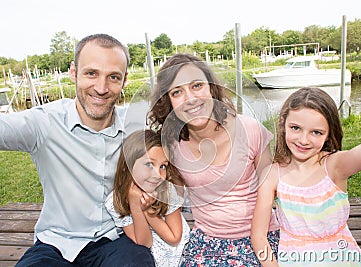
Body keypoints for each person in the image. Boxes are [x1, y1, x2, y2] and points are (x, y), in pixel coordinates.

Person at [0, 34, 155, 266]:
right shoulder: (44, 122)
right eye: (91, 73)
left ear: (124, 81)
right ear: (73, 72)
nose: (101, 88)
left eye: (113, 77)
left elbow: (190, 132)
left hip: (117, 239)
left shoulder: (136, 124)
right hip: (56, 244)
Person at [147, 53, 280, 266]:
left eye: (197, 85)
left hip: (261, 236)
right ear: (168, 102)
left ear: (211, 88)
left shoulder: (251, 131)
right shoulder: (171, 147)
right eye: (177, 92)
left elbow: (271, 193)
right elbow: (174, 197)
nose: (190, 98)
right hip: (208, 242)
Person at [251, 87, 361, 266]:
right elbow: (259, 236)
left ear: (329, 133)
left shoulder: (335, 166)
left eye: (316, 132)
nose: (304, 140)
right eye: (296, 128)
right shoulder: (272, 175)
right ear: (283, 124)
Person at [105, 129, 190, 267]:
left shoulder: (167, 190)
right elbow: (144, 243)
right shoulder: (116, 200)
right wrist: (135, 206)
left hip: (183, 255)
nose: (157, 174)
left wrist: (147, 210)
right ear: (129, 165)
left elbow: (174, 238)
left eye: (163, 166)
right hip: (151, 261)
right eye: (149, 164)